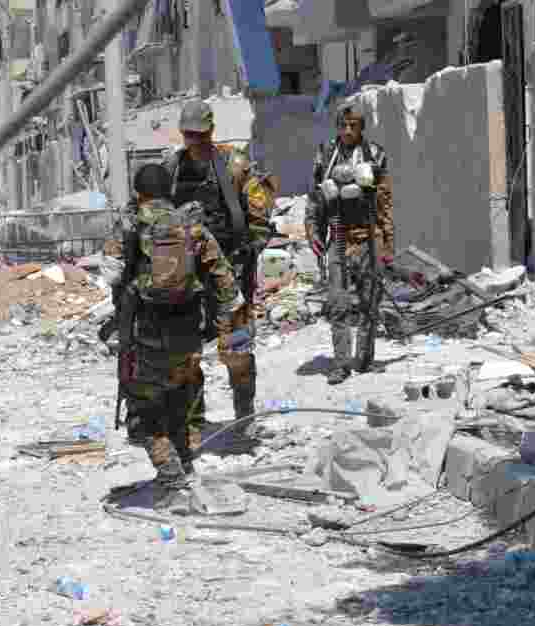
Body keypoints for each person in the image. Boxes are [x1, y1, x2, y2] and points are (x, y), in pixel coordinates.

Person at [116, 163, 245, 511]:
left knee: (142, 413)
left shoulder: (132, 223)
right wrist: (224, 326)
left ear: (139, 193)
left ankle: (173, 483)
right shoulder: (192, 226)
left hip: (146, 334)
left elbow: (111, 273)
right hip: (188, 331)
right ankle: (184, 469)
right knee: (180, 404)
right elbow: (225, 282)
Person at [163, 99, 277, 444]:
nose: (194, 141)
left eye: (199, 134)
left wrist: (250, 250)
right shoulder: (172, 168)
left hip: (230, 270)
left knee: (236, 347)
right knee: (186, 351)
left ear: (211, 131)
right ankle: (194, 423)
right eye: (188, 134)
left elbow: (258, 211)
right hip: (187, 275)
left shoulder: (233, 164)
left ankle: (245, 417)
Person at [305, 105, 395, 385]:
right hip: (338, 235)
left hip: (368, 236)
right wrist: (313, 231)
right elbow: (315, 197)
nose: (347, 131)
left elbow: (385, 203)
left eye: (353, 125)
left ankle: (365, 359)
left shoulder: (375, 155)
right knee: (338, 303)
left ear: (361, 127)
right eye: (343, 125)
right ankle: (341, 364)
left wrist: (388, 243)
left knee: (370, 301)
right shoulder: (325, 155)